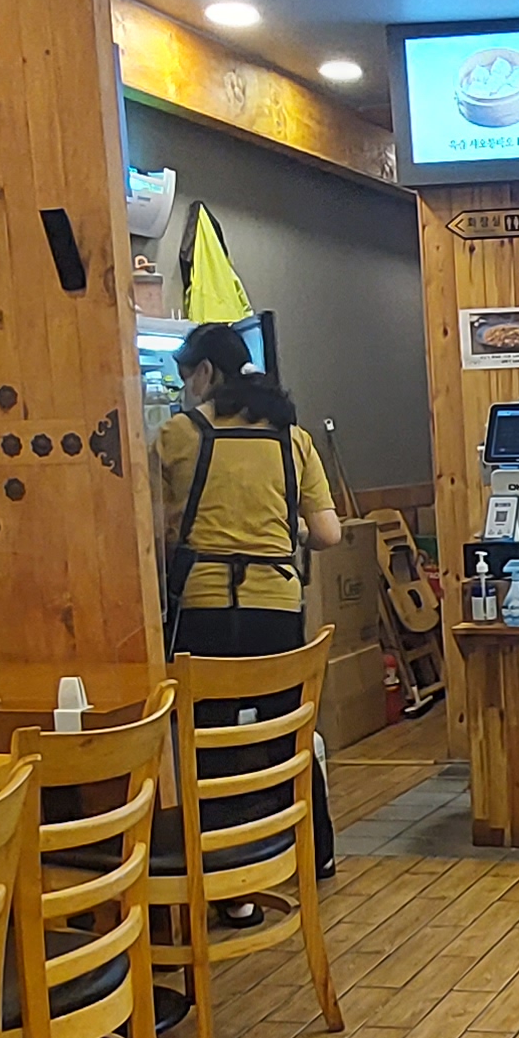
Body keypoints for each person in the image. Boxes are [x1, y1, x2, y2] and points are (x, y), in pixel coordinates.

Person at [155, 320, 342, 894]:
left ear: (206, 372)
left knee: (206, 743)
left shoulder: (177, 435)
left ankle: (227, 882)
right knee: (288, 734)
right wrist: (282, 532)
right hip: (275, 609)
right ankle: (314, 854)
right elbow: (328, 533)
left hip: (204, 609)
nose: (184, 388)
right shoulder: (293, 438)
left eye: (185, 376)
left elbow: (154, 529)